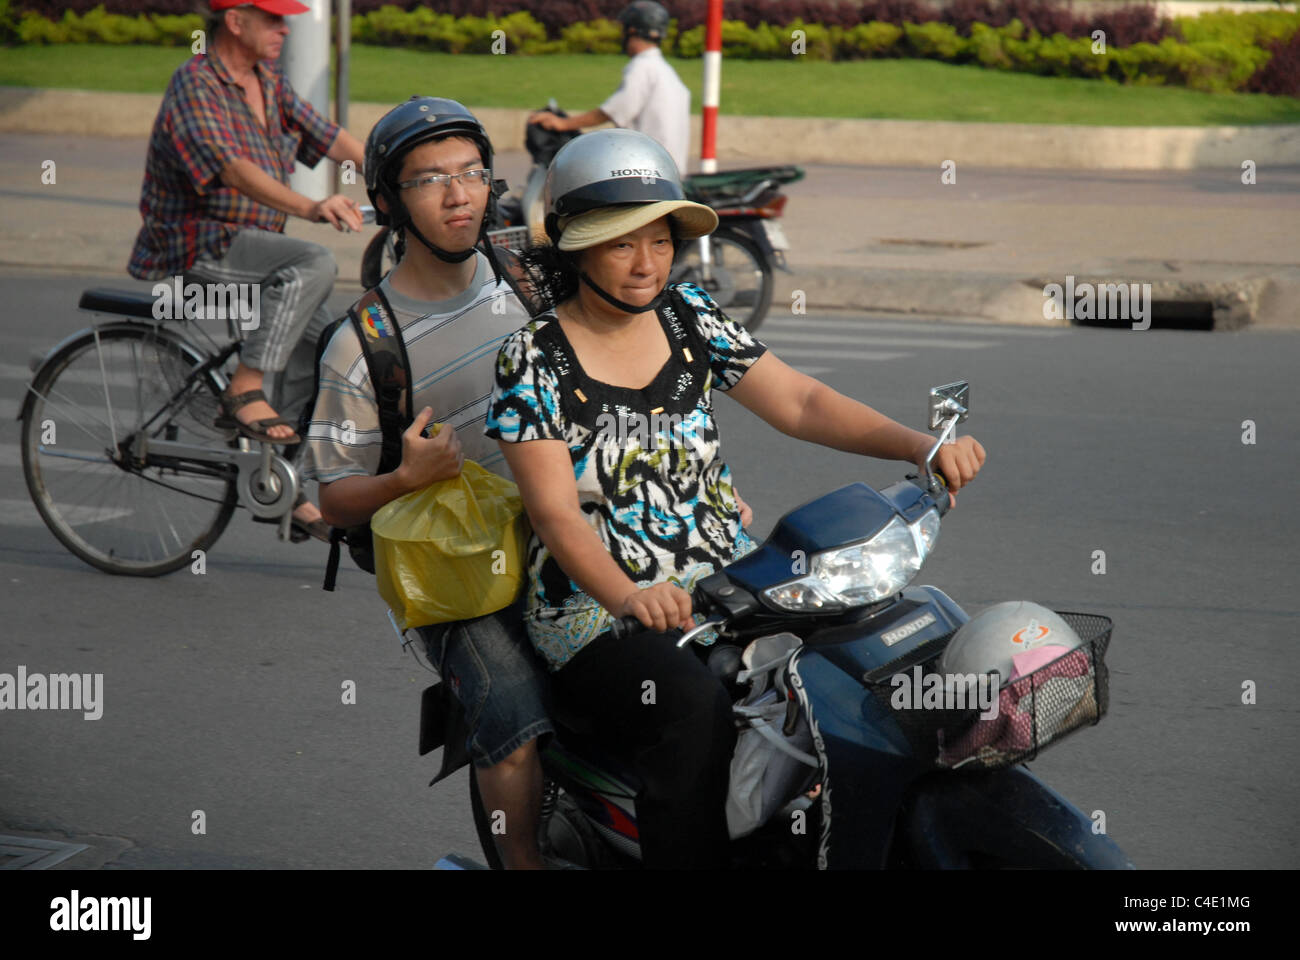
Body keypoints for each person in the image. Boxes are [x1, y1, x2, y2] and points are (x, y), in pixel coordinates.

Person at [486, 129, 987, 869]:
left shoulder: (690, 316)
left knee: (863, 667)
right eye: (621, 244)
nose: (646, 262)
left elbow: (802, 402)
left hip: (731, 585)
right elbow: (555, 513)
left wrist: (920, 445)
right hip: (599, 613)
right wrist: (629, 597)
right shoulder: (533, 356)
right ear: (574, 247)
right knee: (690, 708)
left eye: (659, 241)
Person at [300, 97, 557, 870]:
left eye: (472, 173)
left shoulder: (529, 283)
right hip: (459, 573)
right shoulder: (363, 342)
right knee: (511, 721)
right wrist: (406, 478)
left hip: (569, 535)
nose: (459, 195)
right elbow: (335, 496)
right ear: (387, 202)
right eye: (431, 180)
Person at [127, 0, 366, 541]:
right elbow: (232, 170)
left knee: (332, 343)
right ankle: (245, 388)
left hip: (251, 254)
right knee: (314, 261)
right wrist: (312, 207)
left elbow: (325, 135)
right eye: (273, 18)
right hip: (198, 255)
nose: (285, 28)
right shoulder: (196, 86)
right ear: (235, 21)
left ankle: (287, 487)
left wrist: (401, 176)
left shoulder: (267, 82)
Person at [528, 1, 690, 176]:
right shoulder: (666, 72)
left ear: (632, 31)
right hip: (668, 170)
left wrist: (563, 124)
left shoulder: (642, 67)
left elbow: (614, 110)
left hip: (647, 172)